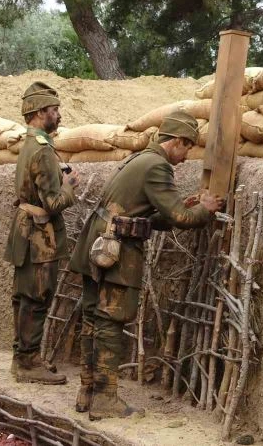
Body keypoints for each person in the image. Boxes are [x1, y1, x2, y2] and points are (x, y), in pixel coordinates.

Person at [68, 111, 224, 420]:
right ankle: (106, 398)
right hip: (115, 252)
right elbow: (181, 219)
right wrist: (205, 210)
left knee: (92, 319)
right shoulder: (157, 166)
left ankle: (87, 391)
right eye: (187, 147)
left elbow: (146, 217)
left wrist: (184, 204)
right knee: (111, 321)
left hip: (97, 245)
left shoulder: (139, 159)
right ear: (177, 141)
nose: (186, 156)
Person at [3, 81, 80, 385]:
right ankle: (28, 362)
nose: (59, 115)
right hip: (40, 237)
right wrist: (70, 186)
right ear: (38, 113)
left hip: (26, 232)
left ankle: (23, 357)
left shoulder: (30, 145)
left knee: (24, 297)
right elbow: (54, 202)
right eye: (54, 110)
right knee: (36, 297)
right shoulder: (43, 151)